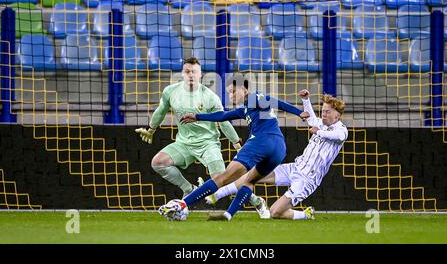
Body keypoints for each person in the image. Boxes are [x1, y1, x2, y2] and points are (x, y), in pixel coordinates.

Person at [158, 77, 310, 221]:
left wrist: (299, 112)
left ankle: (182, 204)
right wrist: (197, 117)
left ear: (244, 90)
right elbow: (223, 115)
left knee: (222, 178)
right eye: (229, 92)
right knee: (249, 180)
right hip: (279, 149)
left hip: (262, 141)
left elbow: (273, 101)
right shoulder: (247, 109)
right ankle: (228, 214)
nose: (231, 95)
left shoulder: (253, 97)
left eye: (233, 91)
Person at [135, 58, 269, 218]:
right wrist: (151, 129)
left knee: (222, 181)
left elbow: (224, 122)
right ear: (182, 74)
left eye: (194, 72)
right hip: (183, 143)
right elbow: (161, 110)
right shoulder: (171, 91)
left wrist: (235, 143)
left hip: (208, 144)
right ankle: (188, 189)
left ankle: (257, 201)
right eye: (187, 71)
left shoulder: (210, 97)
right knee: (158, 162)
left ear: (200, 74)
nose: (190, 74)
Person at [207, 89, 348, 220]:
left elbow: (336, 136)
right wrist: (306, 100)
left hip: (308, 179)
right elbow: (310, 118)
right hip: (295, 167)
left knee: (275, 212)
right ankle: (217, 194)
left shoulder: (342, 130)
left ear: (337, 115)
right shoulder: (320, 123)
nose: (323, 114)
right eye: (323, 111)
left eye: (327, 112)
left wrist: (318, 132)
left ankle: (305, 215)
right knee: (250, 176)